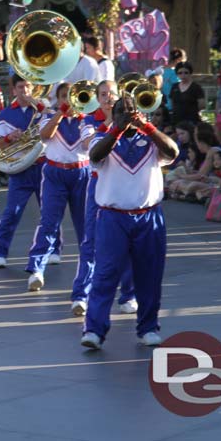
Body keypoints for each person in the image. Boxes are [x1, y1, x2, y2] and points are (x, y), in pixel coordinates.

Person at [81, 94, 178, 350]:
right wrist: (117, 128)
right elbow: (95, 155)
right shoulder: (103, 139)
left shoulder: (151, 140)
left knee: (150, 275)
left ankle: (148, 328)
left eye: (130, 111)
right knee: (105, 274)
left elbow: (173, 151)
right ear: (113, 115)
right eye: (121, 111)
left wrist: (147, 126)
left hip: (148, 216)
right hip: (113, 218)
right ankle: (94, 330)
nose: (127, 115)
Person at [70, 81, 137, 316]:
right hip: (98, 184)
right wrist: (113, 124)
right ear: (97, 98)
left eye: (111, 94)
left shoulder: (131, 122)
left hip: (122, 185)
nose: (108, 98)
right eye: (103, 94)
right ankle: (81, 294)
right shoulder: (89, 120)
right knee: (90, 241)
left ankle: (128, 295)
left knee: (128, 243)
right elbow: (89, 146)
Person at [26, 83, 93, 292]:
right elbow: (45, 135)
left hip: (81, 174)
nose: (68, 100)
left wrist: (85, 117)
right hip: (55, 174)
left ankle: (88, 274)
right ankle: (37, 269)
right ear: (58, 98)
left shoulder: (86, 121)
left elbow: (86, 144)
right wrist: (60, 115)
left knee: (85, 226)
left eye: (72, 97)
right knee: (49, 222)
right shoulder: (49, 117)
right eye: (64, 96)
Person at [0, 75, 48, 268]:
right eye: (21, 87)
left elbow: (53, 126)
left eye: (28, 86)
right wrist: (10, 138)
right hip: (20, 169)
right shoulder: (6, 113)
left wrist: (40, 107)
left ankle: (54, 250)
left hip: (41, 165)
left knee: (48, 212)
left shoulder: (41, 109)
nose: (25, 91)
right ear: (14, 91)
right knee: (12, 213)